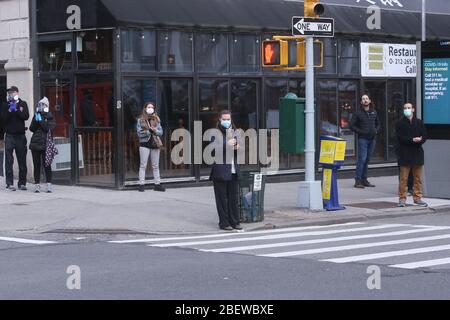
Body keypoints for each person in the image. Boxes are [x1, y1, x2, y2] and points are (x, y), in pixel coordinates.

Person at [210, 110, 242, 231]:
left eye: (228, 119)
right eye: (224, 119)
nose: (227, 121)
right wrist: (227, 144)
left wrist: (237, 146)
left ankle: (235, 221)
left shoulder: (233, 132)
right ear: (219, 119)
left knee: (233, 198)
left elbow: (238, 148)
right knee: (222, 199)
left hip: (233, 170)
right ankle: (224, 223)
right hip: (221, 171)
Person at [396, 103, 428, 207]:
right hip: (405, 153)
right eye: (405, 108)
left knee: (417, 178)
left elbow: (424, 136)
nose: (407, 110)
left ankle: (417, 198)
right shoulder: (400, 123)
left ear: (413, 109)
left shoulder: (419, 122)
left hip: (417, 153)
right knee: (403, 178)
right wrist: (412, 139)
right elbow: (400, 138)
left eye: (409, 108)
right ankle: (402, 199)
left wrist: (420, 139)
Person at [1, 86, 29, 191]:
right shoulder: (5, 105)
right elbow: (3, 120)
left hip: (20, 136)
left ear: (17, 92)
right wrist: (9, 110)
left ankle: (22, 183)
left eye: (12, 92)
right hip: (9, 136)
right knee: (9, 160)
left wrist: (17, 109)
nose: (10, 94)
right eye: (9, 93)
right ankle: (9, 183)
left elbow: (25, 116)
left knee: (22, 160)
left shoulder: (23, 103)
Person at [349, 94, 380, 189]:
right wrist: (361, 132)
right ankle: (357, 181)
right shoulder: (358, 113)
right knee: (362, 159)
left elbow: (378, 124)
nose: (365, 100)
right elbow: (351, 126)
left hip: (372, 139)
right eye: (363, 99)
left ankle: (364, 180)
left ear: (369, 101)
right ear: (361, 102)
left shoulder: (374, 112)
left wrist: (376, 130)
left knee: (367, 160)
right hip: (363, 139)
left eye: (367, 99)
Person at [136, 102, 165, 192]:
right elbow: (139, 133)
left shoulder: (156, 119)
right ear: (145, 108)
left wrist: (155, 130)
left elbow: (161, 132)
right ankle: (141, 184)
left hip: (155, 144)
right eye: (148, 107)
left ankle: (157, 184)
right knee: (143, 165)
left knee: (155, 166)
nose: (150, 108)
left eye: (152, 107)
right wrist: (149, 131)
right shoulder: (140, 120)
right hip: (144, 144)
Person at [29, 97, 56, 193]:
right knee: (37, 165)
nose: (41, 106)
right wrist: (36, 120)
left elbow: (47, 128)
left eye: (43, 105)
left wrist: (41, 120)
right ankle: (37, 185)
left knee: (47, 165)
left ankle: (49, 184)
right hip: (35, 144)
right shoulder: (36, 115)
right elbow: (31, 128)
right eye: (40, 105)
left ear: (47, 106)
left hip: (46, 144)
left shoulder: (50, 116)